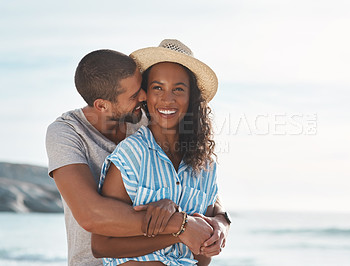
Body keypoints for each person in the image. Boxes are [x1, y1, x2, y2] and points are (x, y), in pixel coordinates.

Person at [46, 48, 230, 266]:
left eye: (142, 88)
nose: (143, 98)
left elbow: (200, 190)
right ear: (102, 105)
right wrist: (180, 225)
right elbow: (90, 215)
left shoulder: (149, 119)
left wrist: (221, 223)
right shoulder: (67, 133)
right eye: (134, 95)